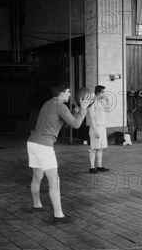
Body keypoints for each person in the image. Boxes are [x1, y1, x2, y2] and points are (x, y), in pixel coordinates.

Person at [27, 82, 93, 223]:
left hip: (32, 142)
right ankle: (58, 215)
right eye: (68, 92)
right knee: (54, 180)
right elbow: (76, 124)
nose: (70, 94)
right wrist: (83, 109)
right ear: (61, 94)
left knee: (37, 177)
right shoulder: (61, 106)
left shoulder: (49, 103)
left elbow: (65, 122)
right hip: (43, 145)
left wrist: (76, 111)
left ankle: (37, 205)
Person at [87, 85, 110, 174]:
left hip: (102, 127)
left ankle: (99, 165)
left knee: (100, 148)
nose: (104, 94)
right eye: (103, 92)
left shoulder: (101, 102)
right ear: (98, 93)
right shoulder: (92, 103)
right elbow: (91, 118)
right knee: (94, 148)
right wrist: (95, 130)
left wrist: (107, 101)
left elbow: (108, 111)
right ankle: (92, 167)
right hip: (95, 127)